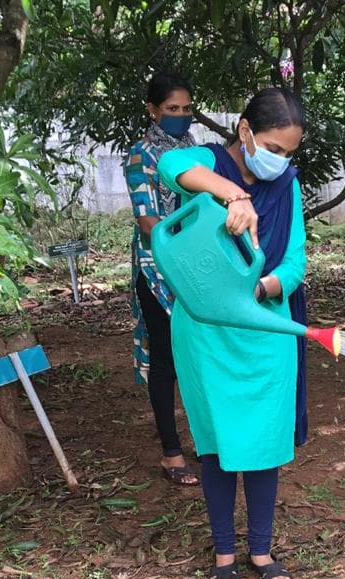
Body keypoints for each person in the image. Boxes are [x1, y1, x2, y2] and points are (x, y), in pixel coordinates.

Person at [157, 87, 309, 579]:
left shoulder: (287, 185)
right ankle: (224, 554)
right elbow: (172, 165)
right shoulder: (210, 160)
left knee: (265, 442)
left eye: (289, 152)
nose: (281, 161)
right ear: (245, 131)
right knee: (217, 444)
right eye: (273, 147)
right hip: (206, 331)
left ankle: (261, 550)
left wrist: (264, 287)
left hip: (265, 328)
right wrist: (234, 193)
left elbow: (295, 262)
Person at [124, 71, 199, 486]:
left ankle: (201, 440)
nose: (181, 116)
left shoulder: (194, 150)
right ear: (152, 110)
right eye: (172, 109)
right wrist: (191, 237)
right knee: (166, 362)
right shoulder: (142, 156)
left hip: (195, 268)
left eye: (187, 109)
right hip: (158, 272)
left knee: (197, 353)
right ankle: (171, 453)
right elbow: (149, 221)